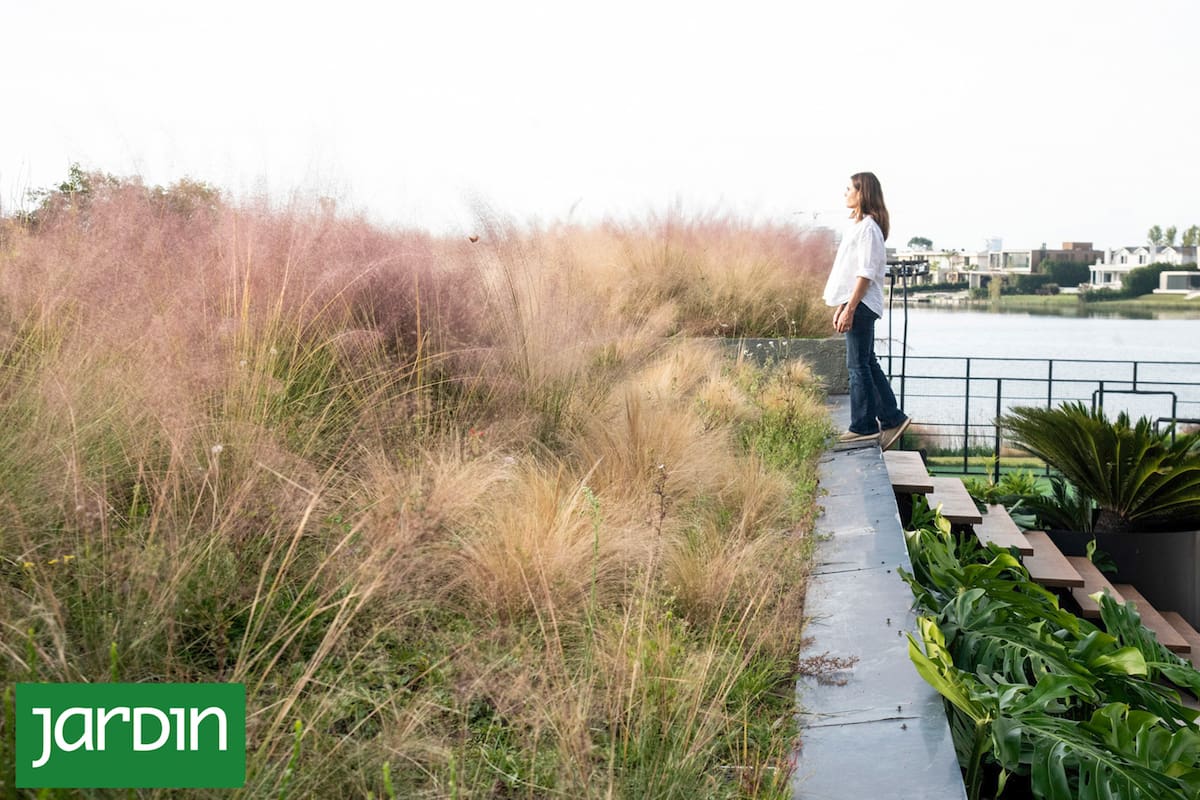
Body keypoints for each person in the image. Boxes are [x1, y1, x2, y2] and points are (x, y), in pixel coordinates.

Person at [822, 172, 911, 449]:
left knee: (858, 366)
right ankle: (891, 417)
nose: (845, 193)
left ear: (862, 193)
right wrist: (842, 306)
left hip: (861, 305)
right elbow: (851, 275)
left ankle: (863, 426)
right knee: (867, 362)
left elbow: (865, 273)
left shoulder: (869, 228)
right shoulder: (861, 227)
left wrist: (850, 308)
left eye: (849, 188)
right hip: (856, 303)